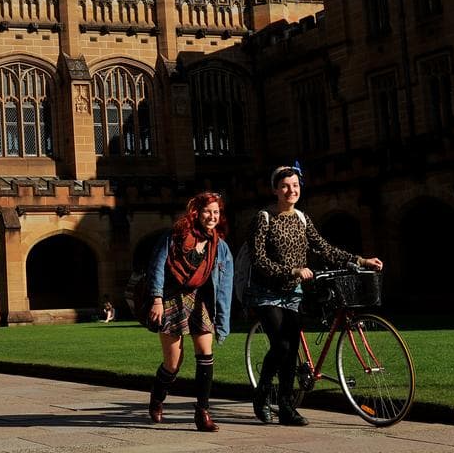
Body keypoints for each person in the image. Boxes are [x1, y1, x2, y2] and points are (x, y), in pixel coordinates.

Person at [248, 164, 383, 427]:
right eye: (285, 185)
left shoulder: (302, 218)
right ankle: (262, 396)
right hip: (267, 292)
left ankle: (287, 408)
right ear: (275, 189)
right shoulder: (263, 217)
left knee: (292, 348)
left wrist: (362, 260)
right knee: (282, 346)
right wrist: (294, 270)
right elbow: (258, 260)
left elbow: (324, 249)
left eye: (295, 185)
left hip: (294, 293)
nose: (291, 190)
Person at [145, 192, 233, 431]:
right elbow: (157, 267)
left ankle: (202, 412)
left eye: (216, 212)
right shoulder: (174, 236)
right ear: (196, 212)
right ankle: (157, 397)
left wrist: (222, 321)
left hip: (200, 301)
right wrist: (156, 299)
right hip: (171, 298)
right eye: (207, 211)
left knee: (205, 353)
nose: (212, 216)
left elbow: (224, 287)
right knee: (173, 364)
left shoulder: (220, 247)